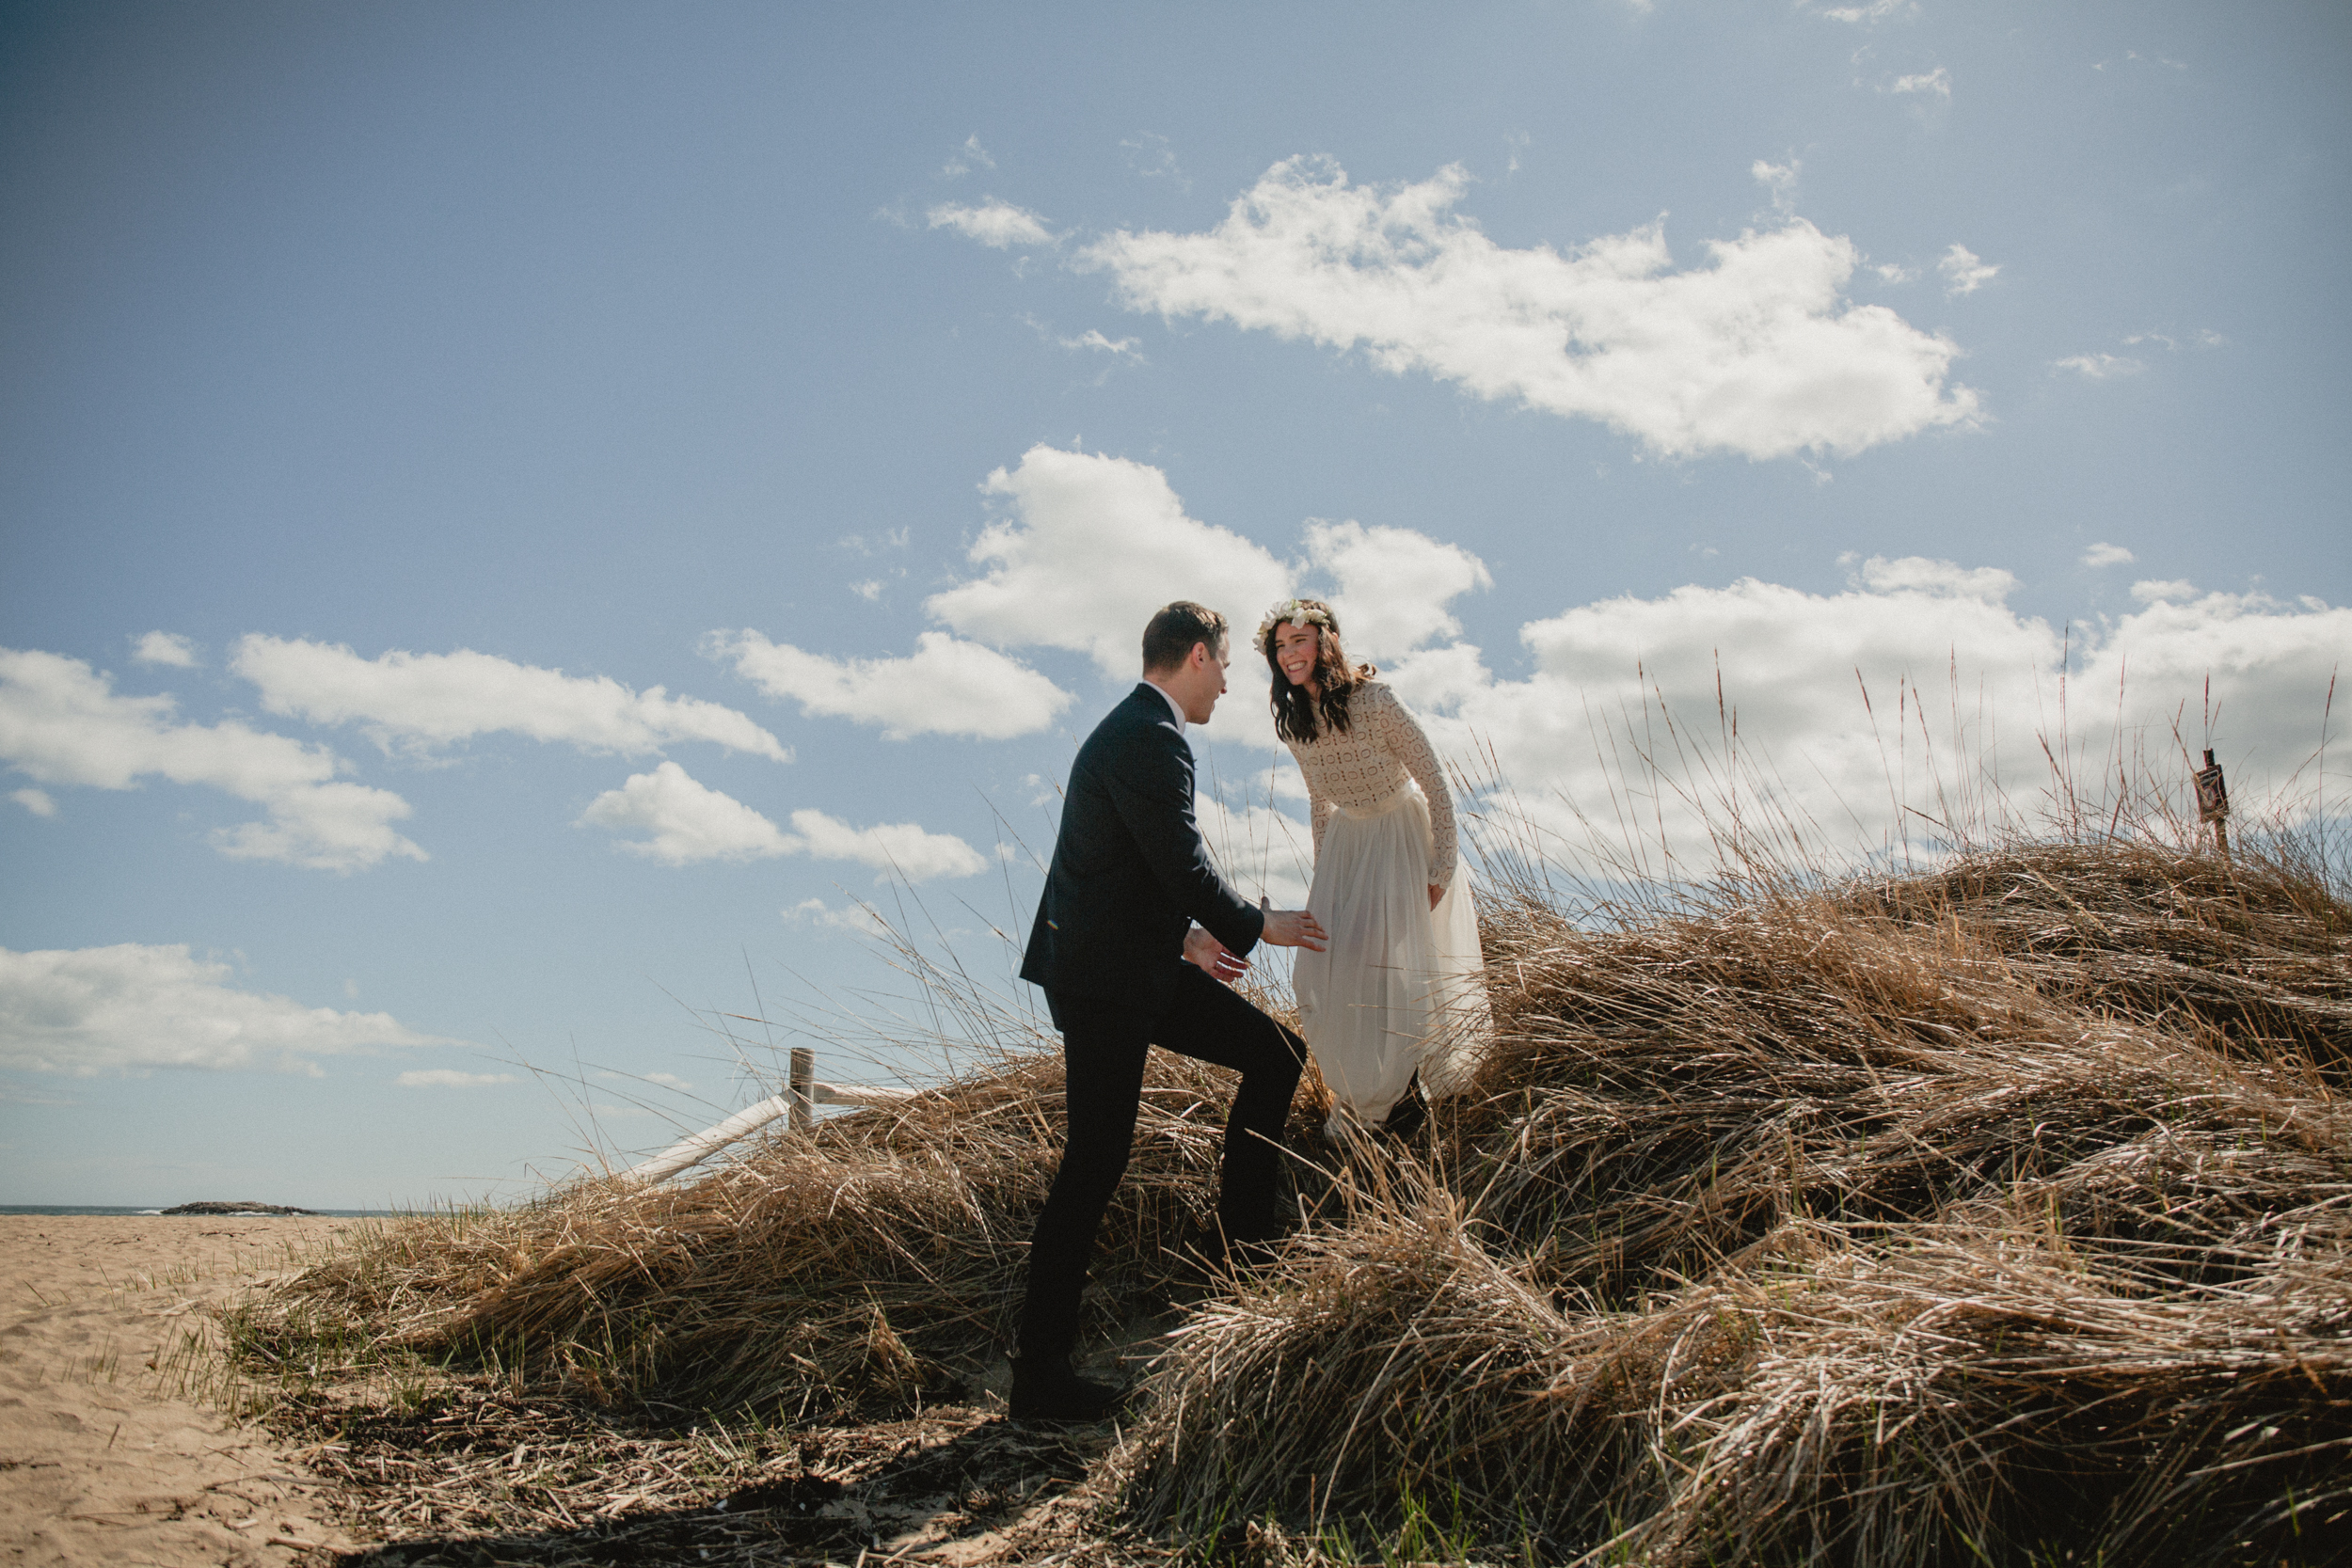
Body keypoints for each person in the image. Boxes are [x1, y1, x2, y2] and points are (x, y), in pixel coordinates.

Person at [1012, 599, 1329, 1423]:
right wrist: (1263, 925)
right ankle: (1047, 1372)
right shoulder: (1152, 735)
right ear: (1195, 656)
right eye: (1224, 665)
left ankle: (1240, 1268)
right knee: (1094, 1162)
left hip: (1121, 968)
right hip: (1113, 982)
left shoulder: (1130, 730)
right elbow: (1183, 862)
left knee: (1270, 1058)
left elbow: (1124, 864)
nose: (1227, 683)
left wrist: (1183, 939)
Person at [1260, 597, 1488, 1136]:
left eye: (1299, 641)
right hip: (1347, 844)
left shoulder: (1378, 701)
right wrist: (1323, 880)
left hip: (1402, 836)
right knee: (1330, 967)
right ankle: (1369, 1090)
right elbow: (1320, 803)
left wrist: (1441, 867)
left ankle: (1411, 1103)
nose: (1290, 654)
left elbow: (1435, 780)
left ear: (1325, 642)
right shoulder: (1294, 723)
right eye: (1280, 646)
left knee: (1401, 969)